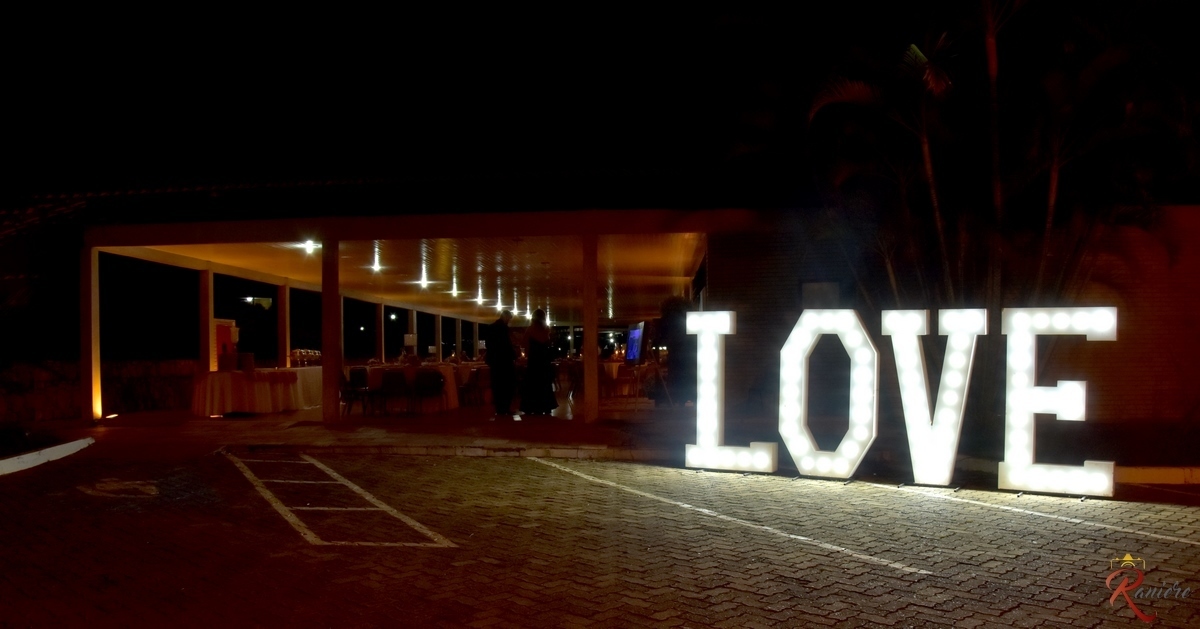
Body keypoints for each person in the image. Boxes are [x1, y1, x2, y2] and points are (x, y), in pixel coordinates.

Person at [520, 309, 558, 416]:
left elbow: (523, 344)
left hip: (533, 362)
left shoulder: (530, 330)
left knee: (532, 385)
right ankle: (545, 406)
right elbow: (549, 346)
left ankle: (532, 407)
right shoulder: (546, 330)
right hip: (544, 363)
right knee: (544, 385)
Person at [485, 309, 517, 419]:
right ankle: (505, 408)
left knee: (497, 385)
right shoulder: (504, 329)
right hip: (505, 361)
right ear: (506, 317)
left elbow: (488, 345)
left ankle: (499, 409)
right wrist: (514, 355)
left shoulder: (491, 328)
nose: (509, 321)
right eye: (509, 319)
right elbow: (507, 345)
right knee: (508, 385)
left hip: (494, 361)